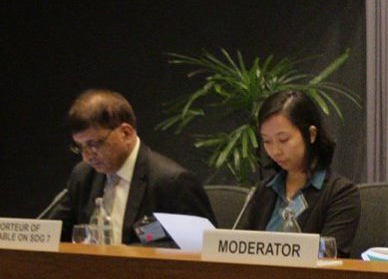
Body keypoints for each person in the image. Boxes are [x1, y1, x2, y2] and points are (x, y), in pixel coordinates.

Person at [56, 89, 212, 245]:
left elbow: (201, 246)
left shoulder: (172, 182)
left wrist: (131, 253)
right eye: (80, 147)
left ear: (126, 133)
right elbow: (56, 233)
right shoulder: (83, 175)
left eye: (93, 145)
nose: (87, 156)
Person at [234, 88, 361, 256]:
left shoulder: (341, 193)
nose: (275, 150)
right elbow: (240, 250)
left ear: (311, 134)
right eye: (267, 141)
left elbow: (332, 255)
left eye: (283, 139)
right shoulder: (264, 191)